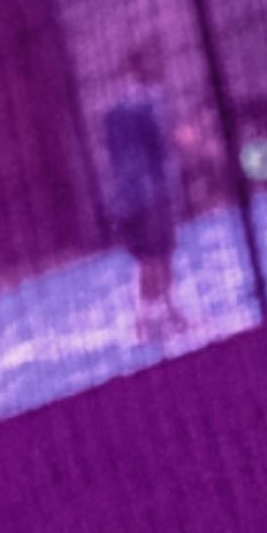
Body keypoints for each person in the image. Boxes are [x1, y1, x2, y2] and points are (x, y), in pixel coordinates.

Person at [95, 46, 186, 343]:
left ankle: (150, 316)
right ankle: (163, 313)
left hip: (124, 196)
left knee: (147, 256)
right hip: (152, 191)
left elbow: (112, 153)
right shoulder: (151, 101)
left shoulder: (111, 110)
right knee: (160, 253)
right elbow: (161, 144)